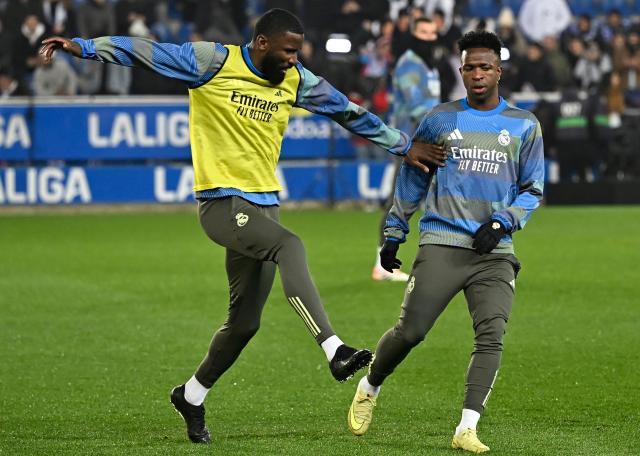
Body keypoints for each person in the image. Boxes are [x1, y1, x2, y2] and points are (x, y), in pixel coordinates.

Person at [39, 8, 444, 445]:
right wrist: (81, 47)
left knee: (245, 322)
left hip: (264, 205)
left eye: (298, 52)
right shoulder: (212, 62)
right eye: (288, 51)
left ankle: (191, 395)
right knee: (290, 247)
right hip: (221, 202)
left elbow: (348, 111)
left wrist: (403, 146)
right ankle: (335, 349)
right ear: (262, 42)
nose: (293, 59)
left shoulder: (297, 79)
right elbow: (145, 52)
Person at [348, 30, 544, 453]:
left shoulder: (525, 125)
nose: (477, 74)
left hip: (494, 251)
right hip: (442, 242)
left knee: (491, 335)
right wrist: (393, 233)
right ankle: (370, 384)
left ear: (499, 71)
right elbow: (413, 176)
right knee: (411, 331)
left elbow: (533, 188)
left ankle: (467, 427)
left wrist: (503, 223)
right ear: (461, 71)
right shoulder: (440, 119)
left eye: (485, 67)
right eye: (470, 67)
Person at [371, 16, 444, 282]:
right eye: (423, 32)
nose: (429, 37)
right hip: (411, 144)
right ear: (414, 34)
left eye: (432, 32)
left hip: (428, 143)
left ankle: (437, 263)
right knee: (400, 204)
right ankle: (383, 263)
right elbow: (418, 108)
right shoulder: (409, 64)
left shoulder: (428, 65)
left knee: (436, 202)